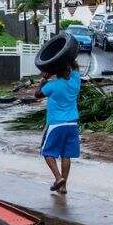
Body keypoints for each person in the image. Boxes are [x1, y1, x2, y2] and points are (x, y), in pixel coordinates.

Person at [34, 60, 81, 194]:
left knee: (47, 152)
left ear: (56, 73)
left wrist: (44, 79)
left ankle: (58, 178)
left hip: (56, 124)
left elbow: (37, 94)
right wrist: (67, 57)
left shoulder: (52, 86)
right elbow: (75, 66)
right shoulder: (75, 82)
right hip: (72, 124)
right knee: (66, 155)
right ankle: (63, 186)